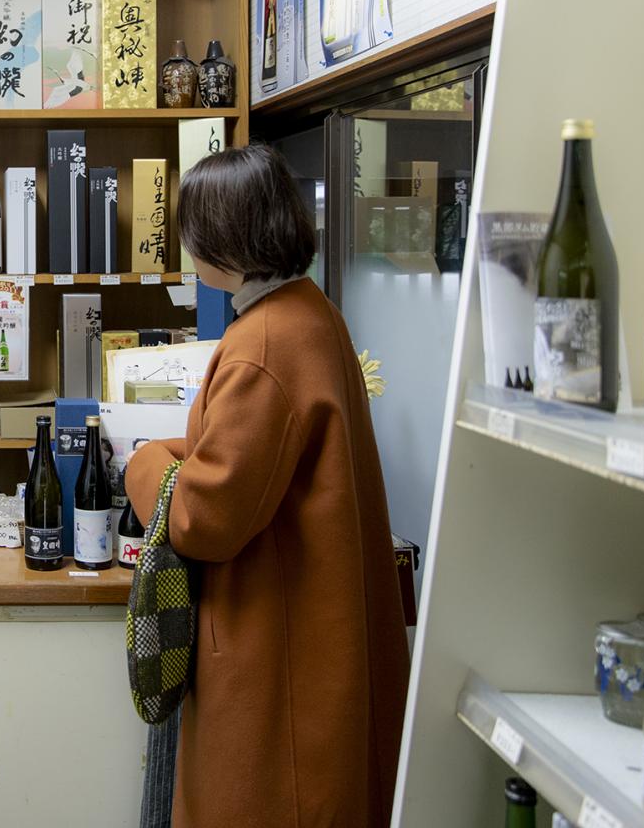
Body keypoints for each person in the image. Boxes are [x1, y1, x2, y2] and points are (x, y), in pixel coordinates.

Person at [124, 143, 408, 828]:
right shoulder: (311, 315)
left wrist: (142, 462)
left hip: (277, 661)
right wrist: (183, 454)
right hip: (319, 644)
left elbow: (200, 517)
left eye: (193, 227)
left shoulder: (263, 344)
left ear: (224, 235)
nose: (186, 243)